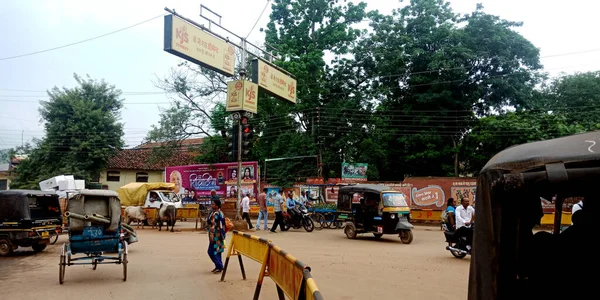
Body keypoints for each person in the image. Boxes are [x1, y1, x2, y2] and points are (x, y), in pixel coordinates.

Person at [206, 199, 226, 273]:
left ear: (217, 206)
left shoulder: (216, 214)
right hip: (220, 235)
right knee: (218, 251)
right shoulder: (220, 213)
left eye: (213, 204)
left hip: (215, 235)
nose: (212, 205)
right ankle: (218, 266)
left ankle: (219, 266)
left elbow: (214, 225)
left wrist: (211, 233)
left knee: (212, 251)